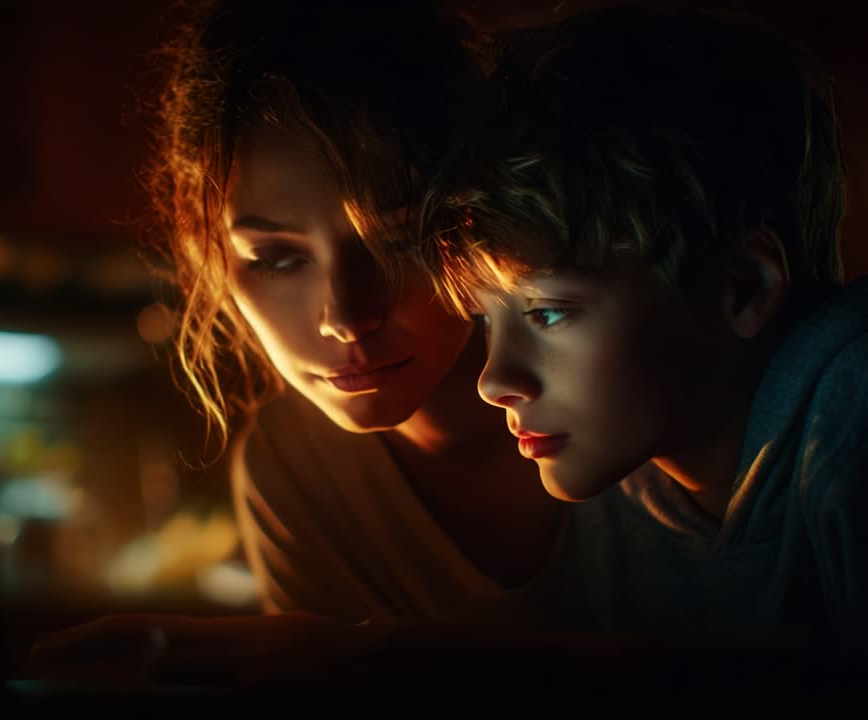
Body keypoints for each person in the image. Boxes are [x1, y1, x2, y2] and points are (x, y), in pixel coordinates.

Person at [416, 4, 868, 702]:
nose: (493, 380)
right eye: (485, 321)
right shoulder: (623, 488)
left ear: (743, 286)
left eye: (549, 311)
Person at [143, 0, 584, 628]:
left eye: (400, 241)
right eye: (274, 258)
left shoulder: (620, 399)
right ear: (207, 251)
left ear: (480, 217)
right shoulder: (294, 466)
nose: (346, 317)